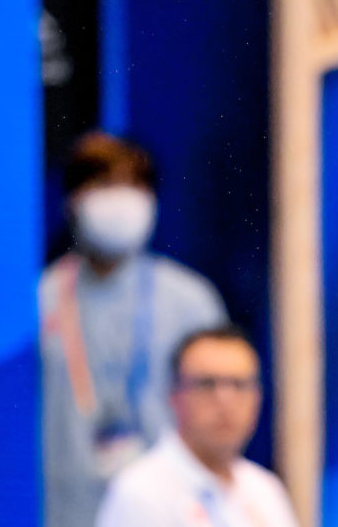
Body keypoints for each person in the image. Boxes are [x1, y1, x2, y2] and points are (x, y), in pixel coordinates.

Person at [38, 131, 228, 527]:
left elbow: (220, 414)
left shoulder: (191, 300)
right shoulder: (41, 302)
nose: (120, 200)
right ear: (73, 200)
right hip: (68, 509)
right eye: (105, 185)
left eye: (133, 186)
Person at [95, 326, 299, 527]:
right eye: (207, 384)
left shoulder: (265, 490)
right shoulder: (141, 495)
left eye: (239, 384)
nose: (225, 400)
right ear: (174, 395)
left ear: (257, 398)